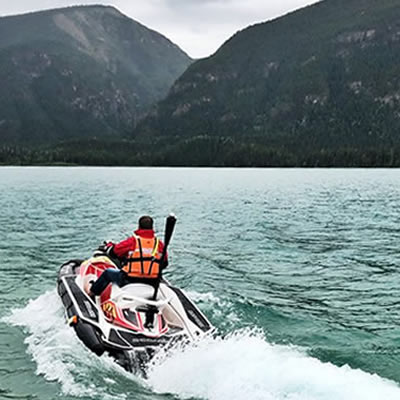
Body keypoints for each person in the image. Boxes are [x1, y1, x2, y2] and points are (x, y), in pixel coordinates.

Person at [89, 215, 167, 297]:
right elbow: (164, 263)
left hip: (130, 279)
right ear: (152, 227)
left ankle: (92, 294)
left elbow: (115, 252)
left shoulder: (133, 241)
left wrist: (109, 246)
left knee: (108, 273)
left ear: (139, 226)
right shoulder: (159, 244)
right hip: (152, 281)